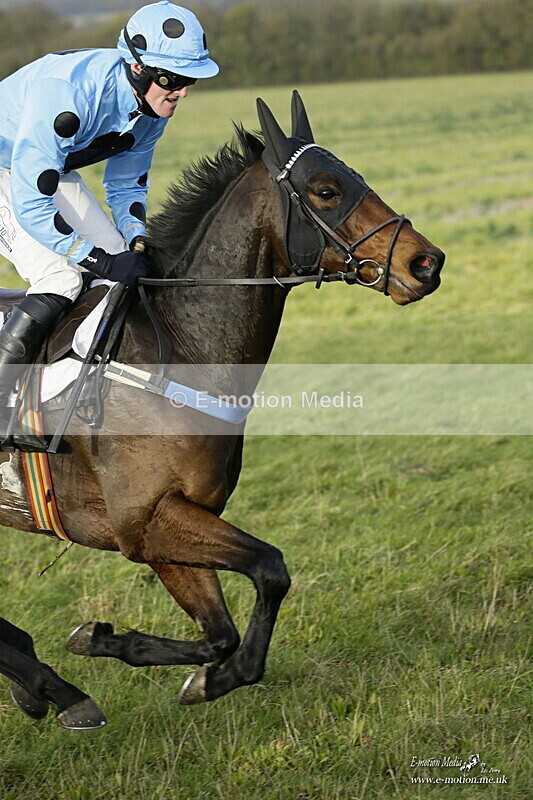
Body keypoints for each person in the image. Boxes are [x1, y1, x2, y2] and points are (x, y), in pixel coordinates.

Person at [0, 1, 219, 451]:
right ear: (137, 68)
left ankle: (84, 380)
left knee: (120, 266)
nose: (181, 92)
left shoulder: (151, 109)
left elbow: (125, 185)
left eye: (188, 80)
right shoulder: (70, 98)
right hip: (12, 174)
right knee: (61, 275)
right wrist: (93, 256)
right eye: (171, 80)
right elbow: (29, 201)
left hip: (47, 170)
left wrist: (135, 240)